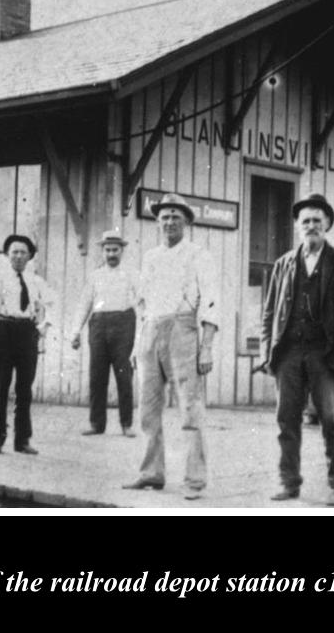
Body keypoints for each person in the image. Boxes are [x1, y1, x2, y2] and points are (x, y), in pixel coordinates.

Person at [260, 193, 334, 506]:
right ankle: (288, 483)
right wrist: (269, 352)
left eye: (317, 221)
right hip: (289, 353)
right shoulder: (283, 264)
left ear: (327, 225)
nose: (311, 226)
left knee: (332, 421)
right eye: (305, 221)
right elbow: (268, 313)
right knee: (287, 421)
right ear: (297, 226)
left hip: (326, 353)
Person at [123, 193, 217, 501]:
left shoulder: (198, 254)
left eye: (176, 216)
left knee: (190, 408)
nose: (169, 221)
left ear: (187, 221)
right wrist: (138, 345)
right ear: (158, 221)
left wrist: (206, 347)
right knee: (148, 409)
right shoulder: (150, 257)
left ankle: (194, 479)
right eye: (164, 216)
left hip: (183, 329)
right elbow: (141, 304)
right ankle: (151, 472)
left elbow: (212, 301)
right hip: (151, 330)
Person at [0, 234, 58, 456]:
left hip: (27, 333)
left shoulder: (35, 280)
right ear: (7, 255)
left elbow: (53, 301)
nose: (17, 256)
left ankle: (22, 441)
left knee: (25, 389)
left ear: (29, 256)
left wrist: (45, 325)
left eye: (22, 252)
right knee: (0, 386)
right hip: (3, 330)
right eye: (13, 252)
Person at [70, 230, 139, 437]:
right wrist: (75, 331)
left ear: (122, 251)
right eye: (108, 250)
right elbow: (84, 304)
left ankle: (126, 424)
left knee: (123, 376)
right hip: (99, 326)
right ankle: (96, 424)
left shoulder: (131, 275)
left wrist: (140, 333)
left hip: (124, 324)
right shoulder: (95, 276)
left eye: (115, 250)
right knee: (97, 376)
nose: (111, 254)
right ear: (102, 251)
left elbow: (141, 303)